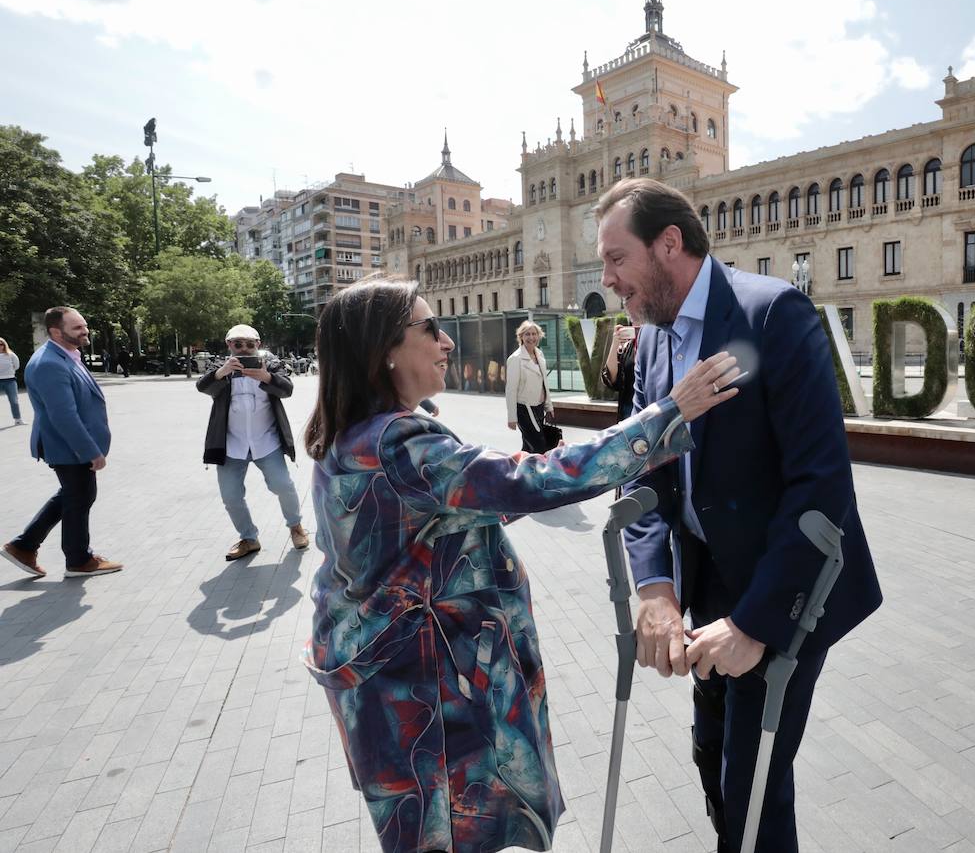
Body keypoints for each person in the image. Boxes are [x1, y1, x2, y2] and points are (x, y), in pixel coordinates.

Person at [301, 276, 738, 853]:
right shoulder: (395, 443)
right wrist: (667, 413)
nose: (446, 342)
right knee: (452, 835)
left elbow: (453, 514)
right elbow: (529, 479)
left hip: (399, 688)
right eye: (430, 328)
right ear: (383, 349)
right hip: (430, 696)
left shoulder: (359, 436)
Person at [595, 178, 882, 853]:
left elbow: (822, 483)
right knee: (711, 755)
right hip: (710, 584)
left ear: (670, 244)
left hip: (785, 589)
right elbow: (649, 471)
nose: (606, 278)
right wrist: (656, 590)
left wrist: (755, 624)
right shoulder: (654, 338)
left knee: (751, 785)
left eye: (616, 259)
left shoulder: (772, 314)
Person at [1, 307, 123, 579]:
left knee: (73, 495)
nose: (85, 330)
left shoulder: (66, 354)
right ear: (56, 331)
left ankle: (23, 546)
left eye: (84, 325)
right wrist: (91, 451)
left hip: (70, 445)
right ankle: (78, 560)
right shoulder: (48, 363)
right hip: (67, 445)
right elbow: (63, 416)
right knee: (79, 497)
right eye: (77, 327)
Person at [196, 324, 309, 561]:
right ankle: (248, 538)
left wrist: (266, 377)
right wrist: (221, 373)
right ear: (229, 345)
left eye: (250, 344)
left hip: (266, 441)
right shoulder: (221, 366)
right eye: (238, 344)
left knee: (283, 485)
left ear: (258, 344)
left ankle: (296, 526)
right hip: (231, 445)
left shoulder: (270, 364)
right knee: (230, 496)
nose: (244, 349)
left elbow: (287, 389)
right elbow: (203, 387)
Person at [505, 320, 554, 452]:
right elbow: (511, 390)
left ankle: (519, 470)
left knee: (528, 446)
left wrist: (549, 406)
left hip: (538, 407)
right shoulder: (515, 359)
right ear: (521, 337)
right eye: (527, 334)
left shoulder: (540, 355)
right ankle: (538, 472)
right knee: (539, 445)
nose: (531, 337)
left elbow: (544, 383)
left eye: (534, 334)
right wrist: (512, 417)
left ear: (539, 336)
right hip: (523, 409)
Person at [601, 322, 638, 421]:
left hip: (652, 409)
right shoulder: (628, 347)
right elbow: (610, 379)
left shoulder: (659, 343)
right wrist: (615, 343)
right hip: (629, 410)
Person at [0, 337, 22, 426]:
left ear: (4, 345)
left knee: (14, 400)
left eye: (1, 344)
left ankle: (18, 419)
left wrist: (10, 371)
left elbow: (16, 365)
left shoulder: (11, 355)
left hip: (10, 380)